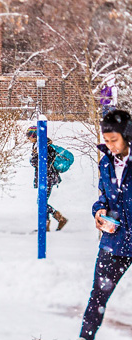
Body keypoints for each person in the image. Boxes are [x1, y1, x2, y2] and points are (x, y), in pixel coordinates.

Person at [79, 109, 132, 340]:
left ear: (127, 135)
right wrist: (99, 210)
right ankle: (85, 337)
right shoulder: (106, 163)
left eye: (114, 140)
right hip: (116, 240)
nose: (110, 145)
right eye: (106, 140)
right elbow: (104, 195)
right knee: (98, 294)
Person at [26, 126, 72, 231]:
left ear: (34, 135)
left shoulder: (44, 146)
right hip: (46, 176)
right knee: (42, 201)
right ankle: (46, 225)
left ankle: (59, 218)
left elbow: (39, 162)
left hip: (47, 177)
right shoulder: (40, 144)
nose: (27, 138)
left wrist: (33, 158)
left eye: (28, 135)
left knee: (41, 201)